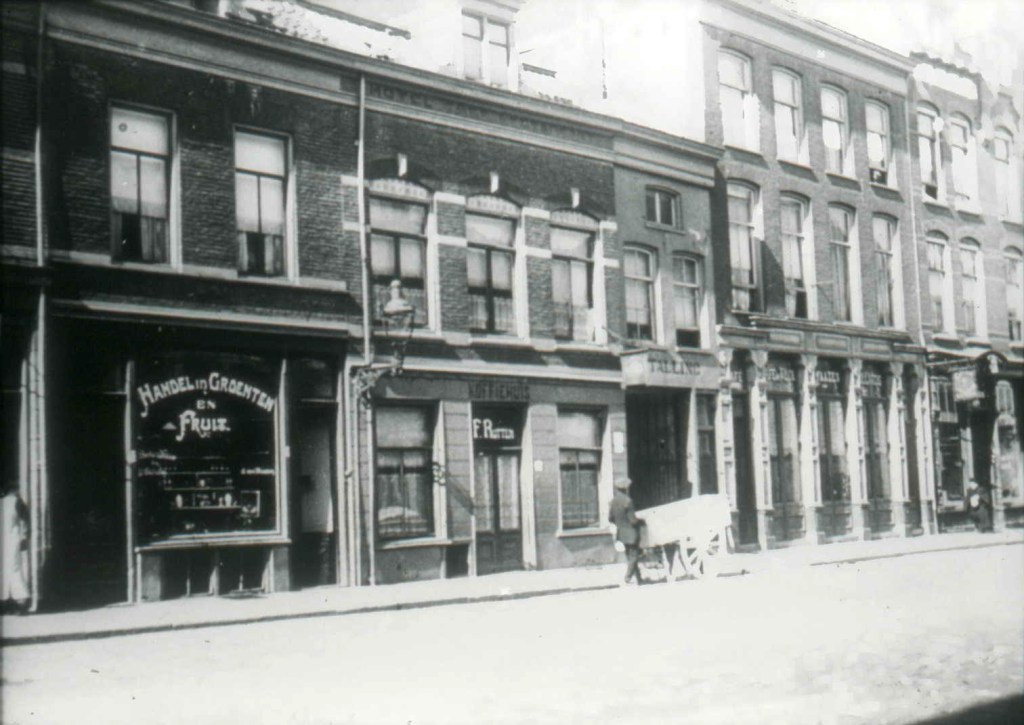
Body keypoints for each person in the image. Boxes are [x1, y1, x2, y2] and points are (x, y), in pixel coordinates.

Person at [608, 477, 646, 586]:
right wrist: (641, 521)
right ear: (625, 489)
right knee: (634, 556)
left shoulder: (613, 502)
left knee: (630, 556)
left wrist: (620, 524)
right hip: (632, 534)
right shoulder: (628, 501)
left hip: (622, 534)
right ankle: (627, 577)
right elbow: (633, 521)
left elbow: (610, 518)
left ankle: (639, 579)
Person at [2, 481, 31, 614]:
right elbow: (25, 520)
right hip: (11, 541)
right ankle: (20, 601)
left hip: (7, 541)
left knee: (8, 570)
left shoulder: (6, 503)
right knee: (14, 569)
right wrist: (25, 537)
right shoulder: (16, 502)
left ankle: (11, 600)